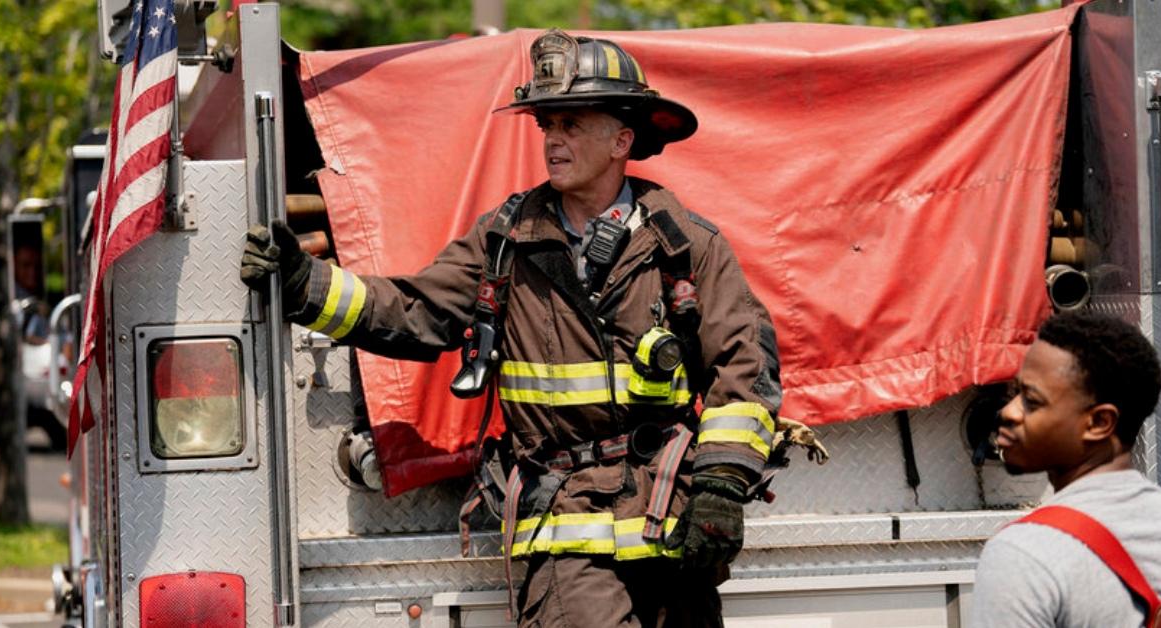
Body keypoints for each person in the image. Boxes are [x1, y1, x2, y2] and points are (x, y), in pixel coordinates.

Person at [243, 29, 824, 627]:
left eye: (572, 123)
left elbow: (743, 370)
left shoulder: (684, 246)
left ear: (622, 139)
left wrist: (722, 487)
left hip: (671, 522)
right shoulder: (505, 242)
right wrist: (304, 284)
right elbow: (417, 311)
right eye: (547, 125)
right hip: (565, 526)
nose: (553, 139)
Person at [970, 311, 1161, 627]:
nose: (1008, 412)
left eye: (1031, 402)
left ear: (1099, 423)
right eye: (1015, 394)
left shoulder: (1022, 556)